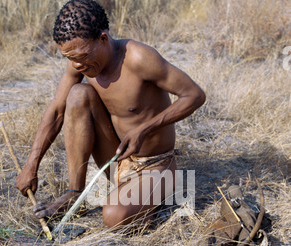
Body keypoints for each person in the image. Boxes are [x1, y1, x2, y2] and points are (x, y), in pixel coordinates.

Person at [16, 0, 206, 229]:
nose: (76, 64)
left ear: (103, 39)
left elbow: (195, 95)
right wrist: (31, 165)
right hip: (117, 160)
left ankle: (149, 201)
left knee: (114, 217)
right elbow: (57, 110)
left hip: (155, 166)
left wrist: (144, 130)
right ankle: (75, 195)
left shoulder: (138, 58)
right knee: (77, 95)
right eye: (69, 58)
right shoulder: (79, 62)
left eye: (82, 56)